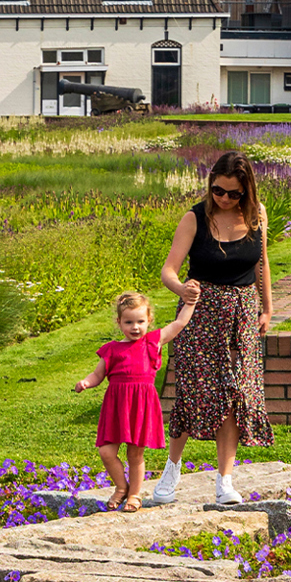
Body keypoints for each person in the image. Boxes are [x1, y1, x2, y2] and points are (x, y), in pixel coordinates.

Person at [147, 151, 273, 507]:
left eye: (234, 193)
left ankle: (225, 481)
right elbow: (168, 270)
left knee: (234, 396)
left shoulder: (257, 216)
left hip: (242, 316)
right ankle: (170, 473)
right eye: (219, 191)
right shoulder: (195, 218)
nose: (225, 199)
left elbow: (262, 264)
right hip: (199, 315)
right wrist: (181, 288)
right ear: (210, 184)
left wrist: (267, 307)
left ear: (246, 191)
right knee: (192, 393)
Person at [74, 289, 201, 512]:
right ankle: (121, 486)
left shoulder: (152, 342)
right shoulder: (111, 349)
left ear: (149, 320)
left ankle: (134, 494)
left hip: (141, 406)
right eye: (129, 322)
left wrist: (190, 302)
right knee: (106, 452)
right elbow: (98, 375)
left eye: (140, 321)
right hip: (116, 407)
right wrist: (86, 382)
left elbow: (179, 323)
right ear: (119, 322)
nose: (135, 327)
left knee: (135, 454)